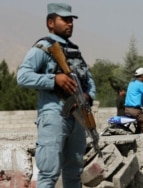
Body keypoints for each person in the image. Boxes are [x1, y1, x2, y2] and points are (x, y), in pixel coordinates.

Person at [17, 3, 96, 187]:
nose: (70, 24)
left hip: (77, 117)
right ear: (50, 23)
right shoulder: (43, 47)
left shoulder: (75, 51)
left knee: (75, 172)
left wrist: (88, 97)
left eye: (71, 20)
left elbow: (90, 81)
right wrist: (54, 79)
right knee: (49, 173)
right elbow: (23, 76)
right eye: (64, 19)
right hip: (54, 115)